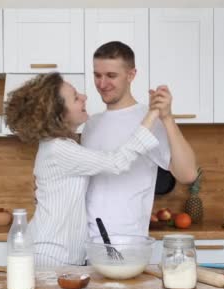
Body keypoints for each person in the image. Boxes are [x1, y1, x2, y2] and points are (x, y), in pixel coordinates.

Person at [4, 72, 162, 267]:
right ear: (59, 114)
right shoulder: (59, 149)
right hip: (51, 255)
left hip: (62, 255)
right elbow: (117, 162)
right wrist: (153, 114)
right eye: (76, 97)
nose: (84, 97)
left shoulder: (59, 145)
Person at [81, 41, 198, 238]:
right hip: (87, 241)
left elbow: (188, 175)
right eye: (97, 75)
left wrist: (167, 118)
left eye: (111, 75)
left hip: (127, 242)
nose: (102, 84)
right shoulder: (91, 124)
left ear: (131, 75)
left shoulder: (149, 119)